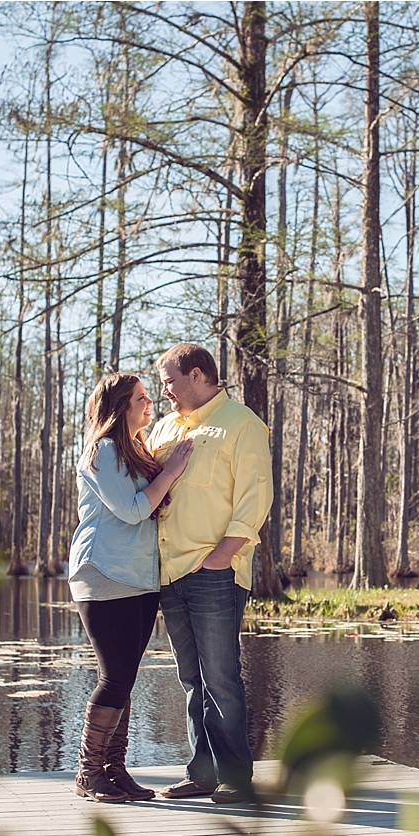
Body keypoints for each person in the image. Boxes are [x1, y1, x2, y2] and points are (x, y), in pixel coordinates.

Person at [147, 343, 273, 805]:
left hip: (213, 571)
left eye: (169, 380)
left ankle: (236, 780)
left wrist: (222, 555)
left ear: (197, 375)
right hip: (167, 572)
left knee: (220, 677)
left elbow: (255, 497)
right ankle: (201, 775)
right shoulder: (162, 429)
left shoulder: (242, 423)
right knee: (190, 679)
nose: (165, 391)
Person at [68, 372, 193, 804]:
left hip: (140, 576)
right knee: (114, 676)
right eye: (141, 398)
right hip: (103, 570)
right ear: (121, 405)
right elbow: (134, 509)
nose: (149, 403)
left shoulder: (135, 449)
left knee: (125, 677)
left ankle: (115, 771)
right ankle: (88, 773)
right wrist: (174, 469)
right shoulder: (102, 451)